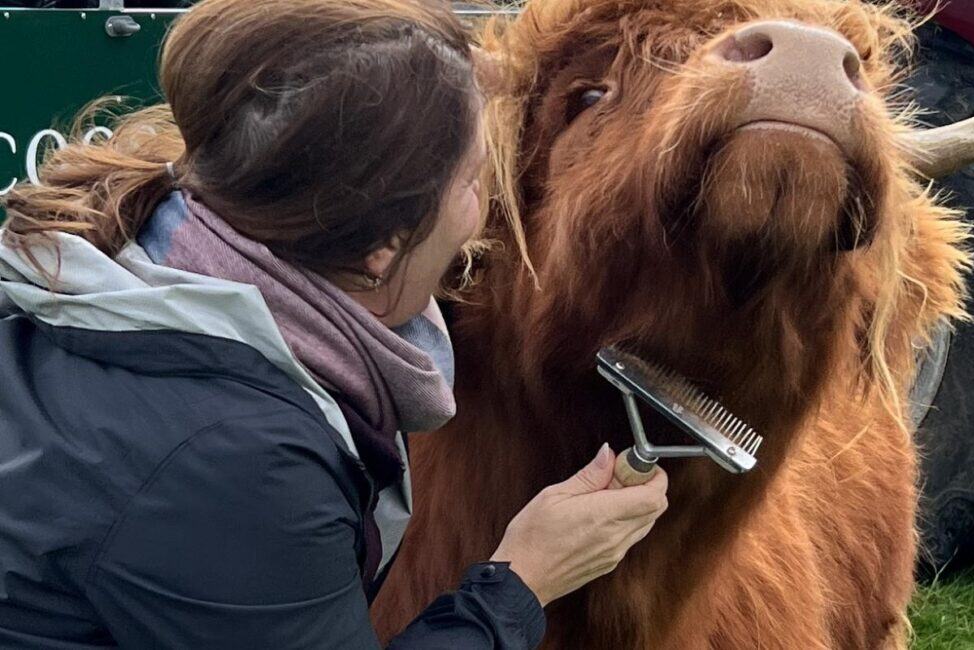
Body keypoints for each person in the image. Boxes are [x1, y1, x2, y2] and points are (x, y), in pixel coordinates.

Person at [0, 0, 669, 647]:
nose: (482, 211)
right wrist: (523, 581)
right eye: (472, 179)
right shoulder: (240, 462)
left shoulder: (148, 252)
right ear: (381, 248)